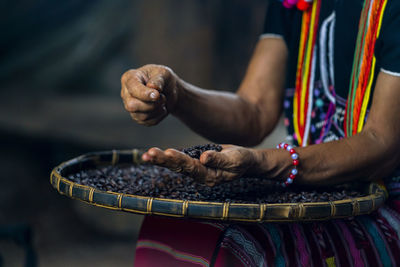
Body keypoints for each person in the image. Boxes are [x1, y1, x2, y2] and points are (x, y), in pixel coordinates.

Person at [121, 0, 400, 266]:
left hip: (386, 204)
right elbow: (254, 112)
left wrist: (264, 163)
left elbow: (382, 145)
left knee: (238, 244)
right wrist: (176, 93)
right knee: (173, 225)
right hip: (314, 189)